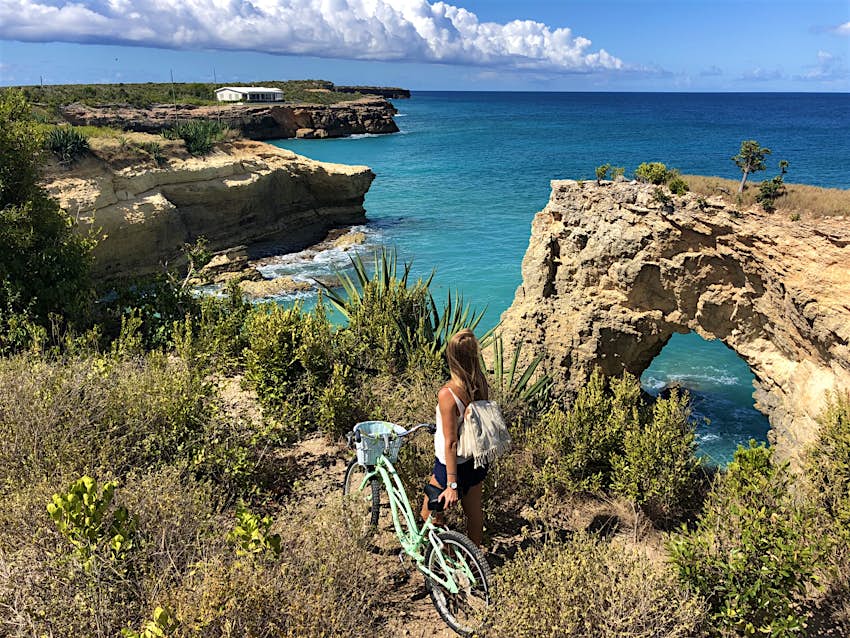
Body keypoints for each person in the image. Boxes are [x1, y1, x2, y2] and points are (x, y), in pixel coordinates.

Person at [420, 328, 489, 546]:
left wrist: (452, 485)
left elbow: (450, 443)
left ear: (451, 357)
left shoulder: (447, 395)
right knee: (474, 517)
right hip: (476, 462)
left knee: (428, 516)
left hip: (451, 467)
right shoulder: (480, 383)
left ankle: (447, 563)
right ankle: (474, 563)